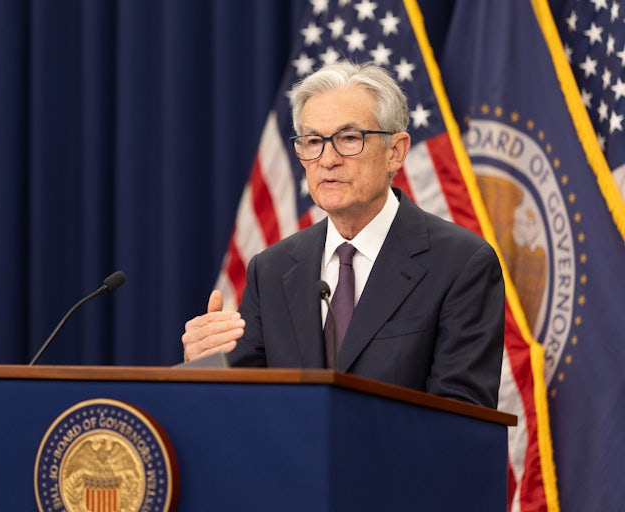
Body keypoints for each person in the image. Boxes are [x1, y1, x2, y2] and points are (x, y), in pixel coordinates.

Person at [182, 61, 504, 408]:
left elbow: (460, 416)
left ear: (395, 152)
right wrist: (207, 364)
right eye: (313, 141)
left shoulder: (461, 264)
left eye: (349, 139)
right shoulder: (271, 269)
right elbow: (244, 406)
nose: (328, 159)